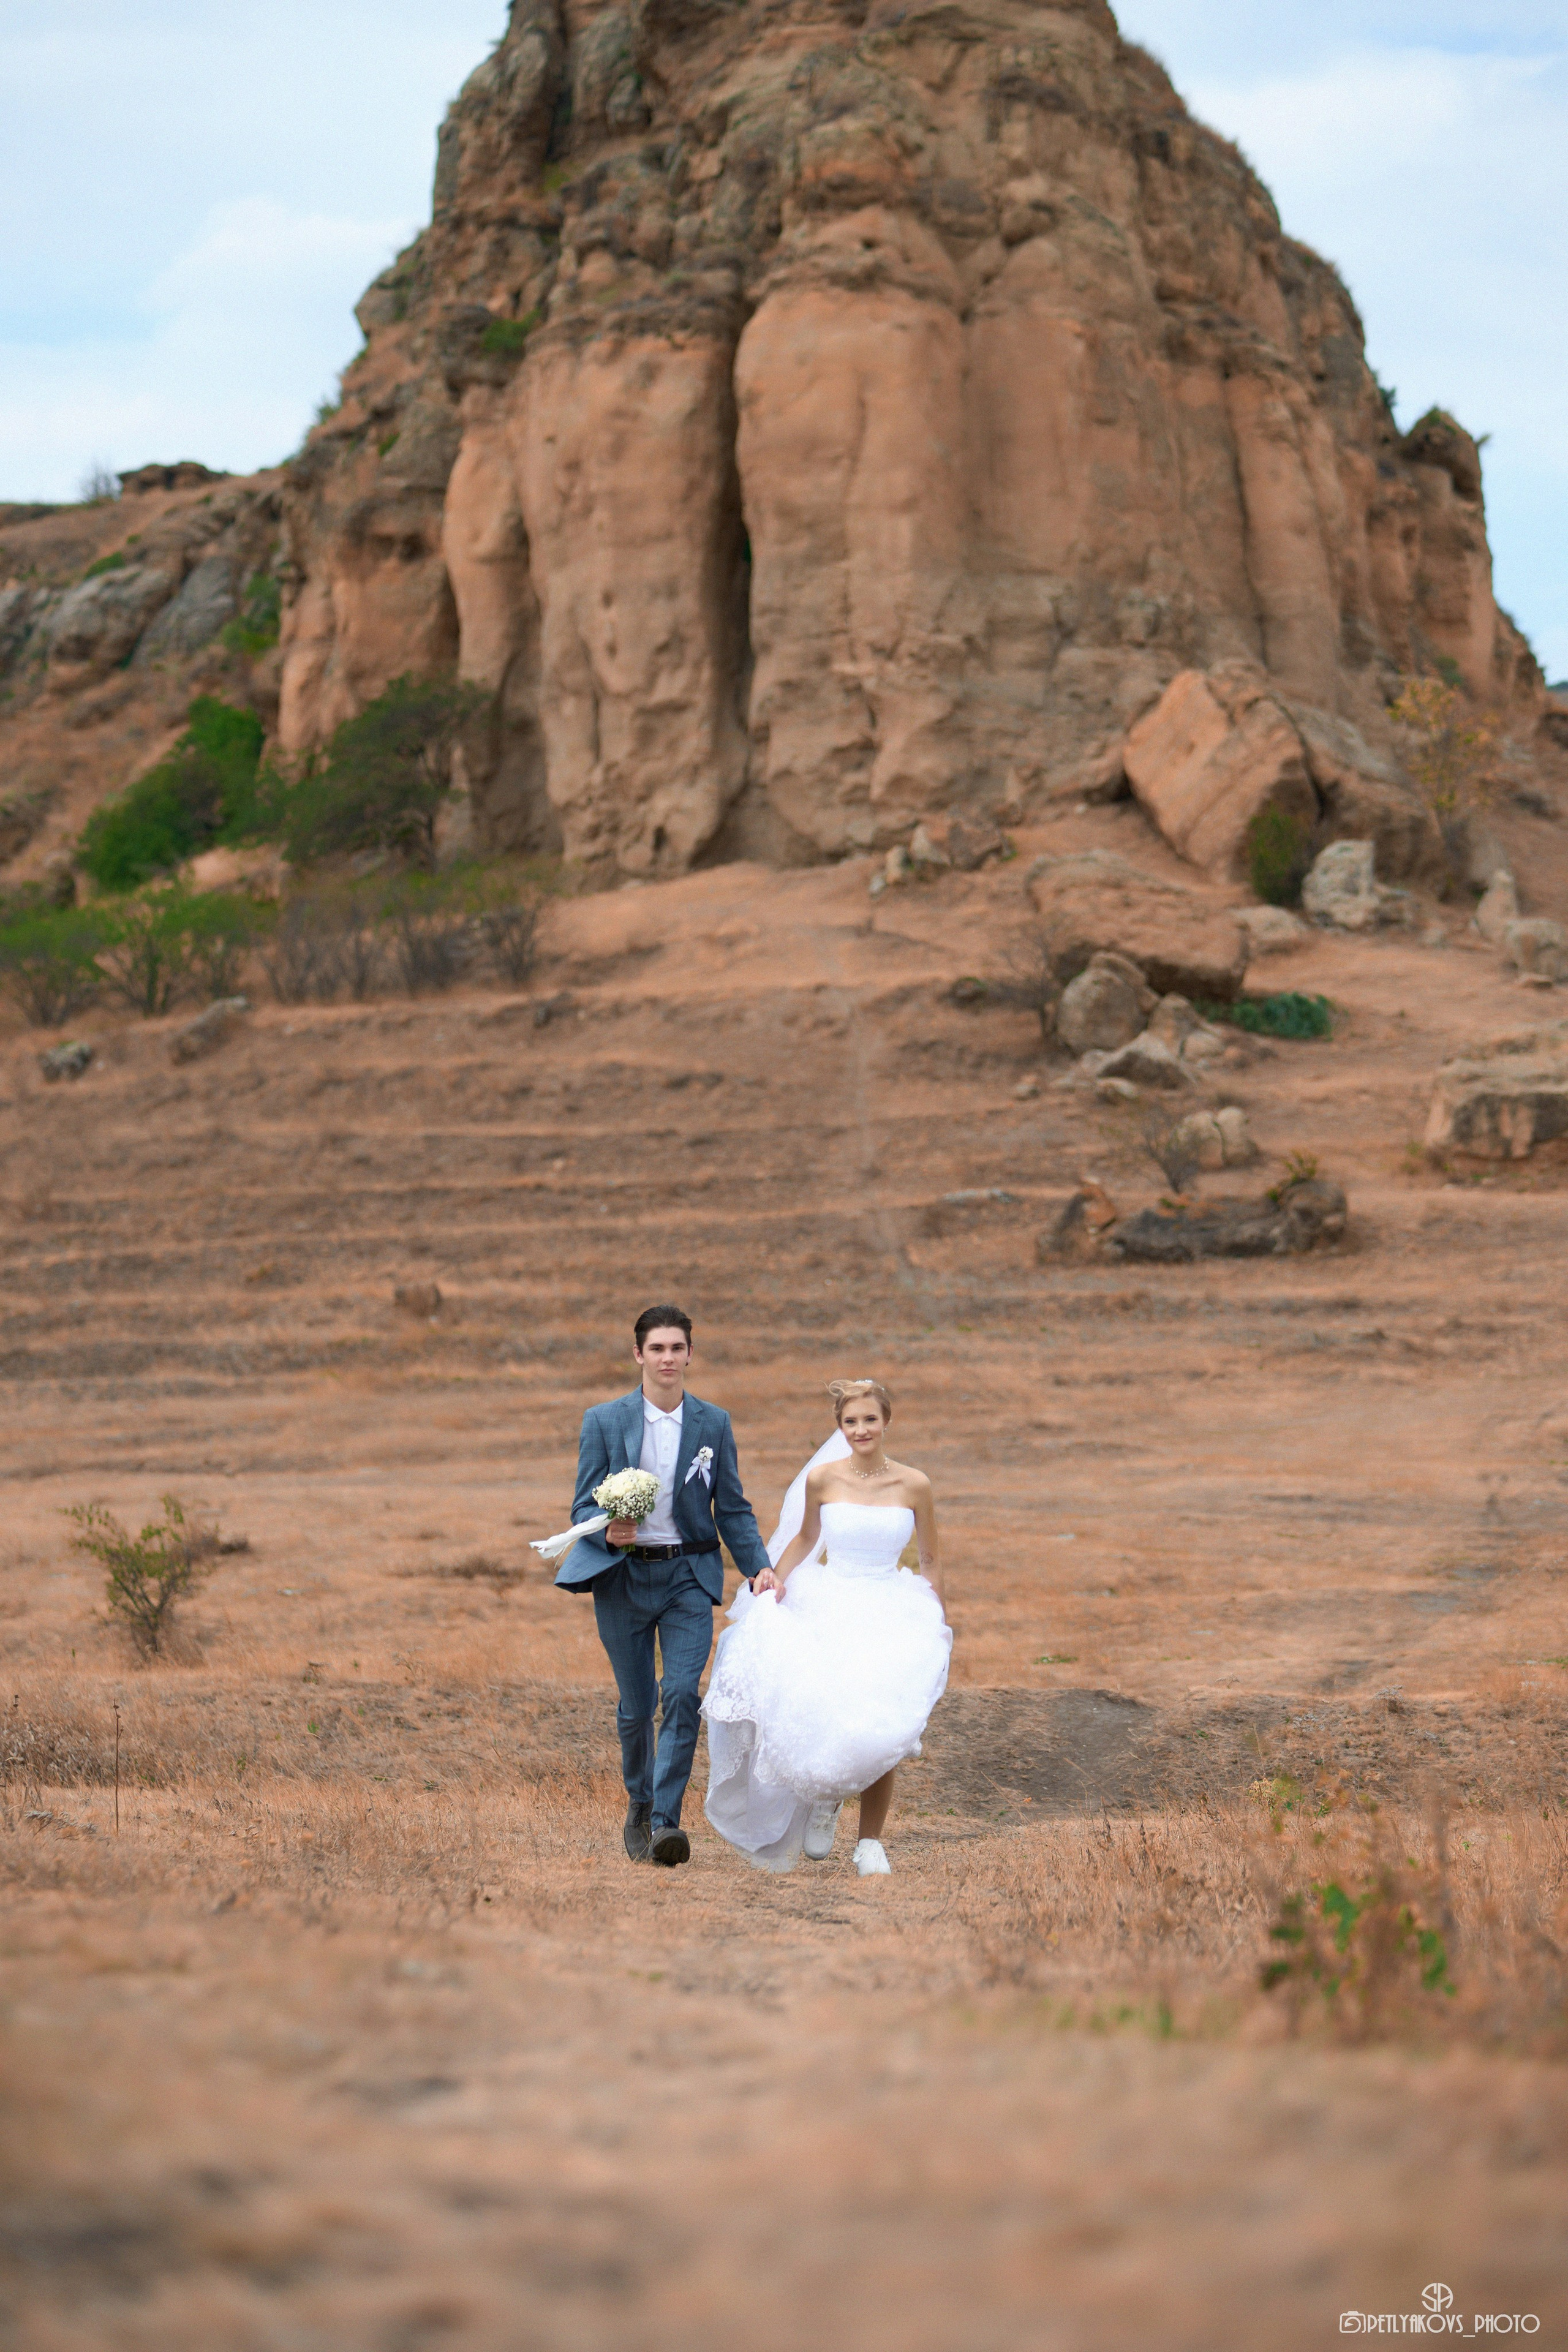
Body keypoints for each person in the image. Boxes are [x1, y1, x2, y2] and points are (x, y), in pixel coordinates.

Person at [702, 1378, 951, 1877]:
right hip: (832, 1600)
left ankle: (870, 1844)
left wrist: (933, 1615)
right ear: (840, 1427)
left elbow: (929, 1559)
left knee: (884, 1724)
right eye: (850, 1422)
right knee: (828, 1709)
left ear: (887, 1422)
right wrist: (776, 1581)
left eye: (870, 1420)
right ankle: (828, 1798)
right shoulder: (824, 1480)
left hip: (890, 1606)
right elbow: (805, 1539)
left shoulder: (914, 1484)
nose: (861, 1430)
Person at [556, 1305, 772, 1868]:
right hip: (623, 1576)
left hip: (687, 1576)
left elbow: (732, 1506)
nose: (668, 1358)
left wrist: (759, 1566)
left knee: (681, 1694)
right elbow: (582, 1502)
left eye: (678, 1348)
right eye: (657, 1349)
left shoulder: (713, 1424)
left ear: (690, 1354)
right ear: (638, 1355)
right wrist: (609, 1531)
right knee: (637, 1705)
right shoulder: (603, 1421)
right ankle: (638, 1803)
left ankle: (665, 1824)